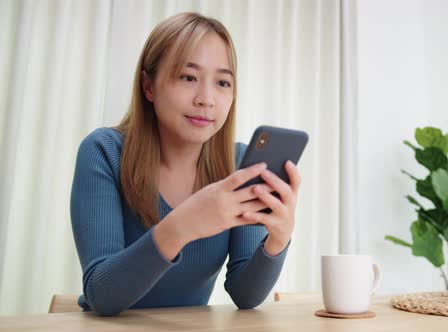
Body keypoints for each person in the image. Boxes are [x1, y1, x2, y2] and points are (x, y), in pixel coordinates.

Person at [70, 12, 300, 316]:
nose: (206, 99)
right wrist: (184, 225)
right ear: (148, 86)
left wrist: (278, 238)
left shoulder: (239, 165)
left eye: (222, 82)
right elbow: (102, 294)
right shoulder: (103, 151)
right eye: (188, 77)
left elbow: (246, 294)